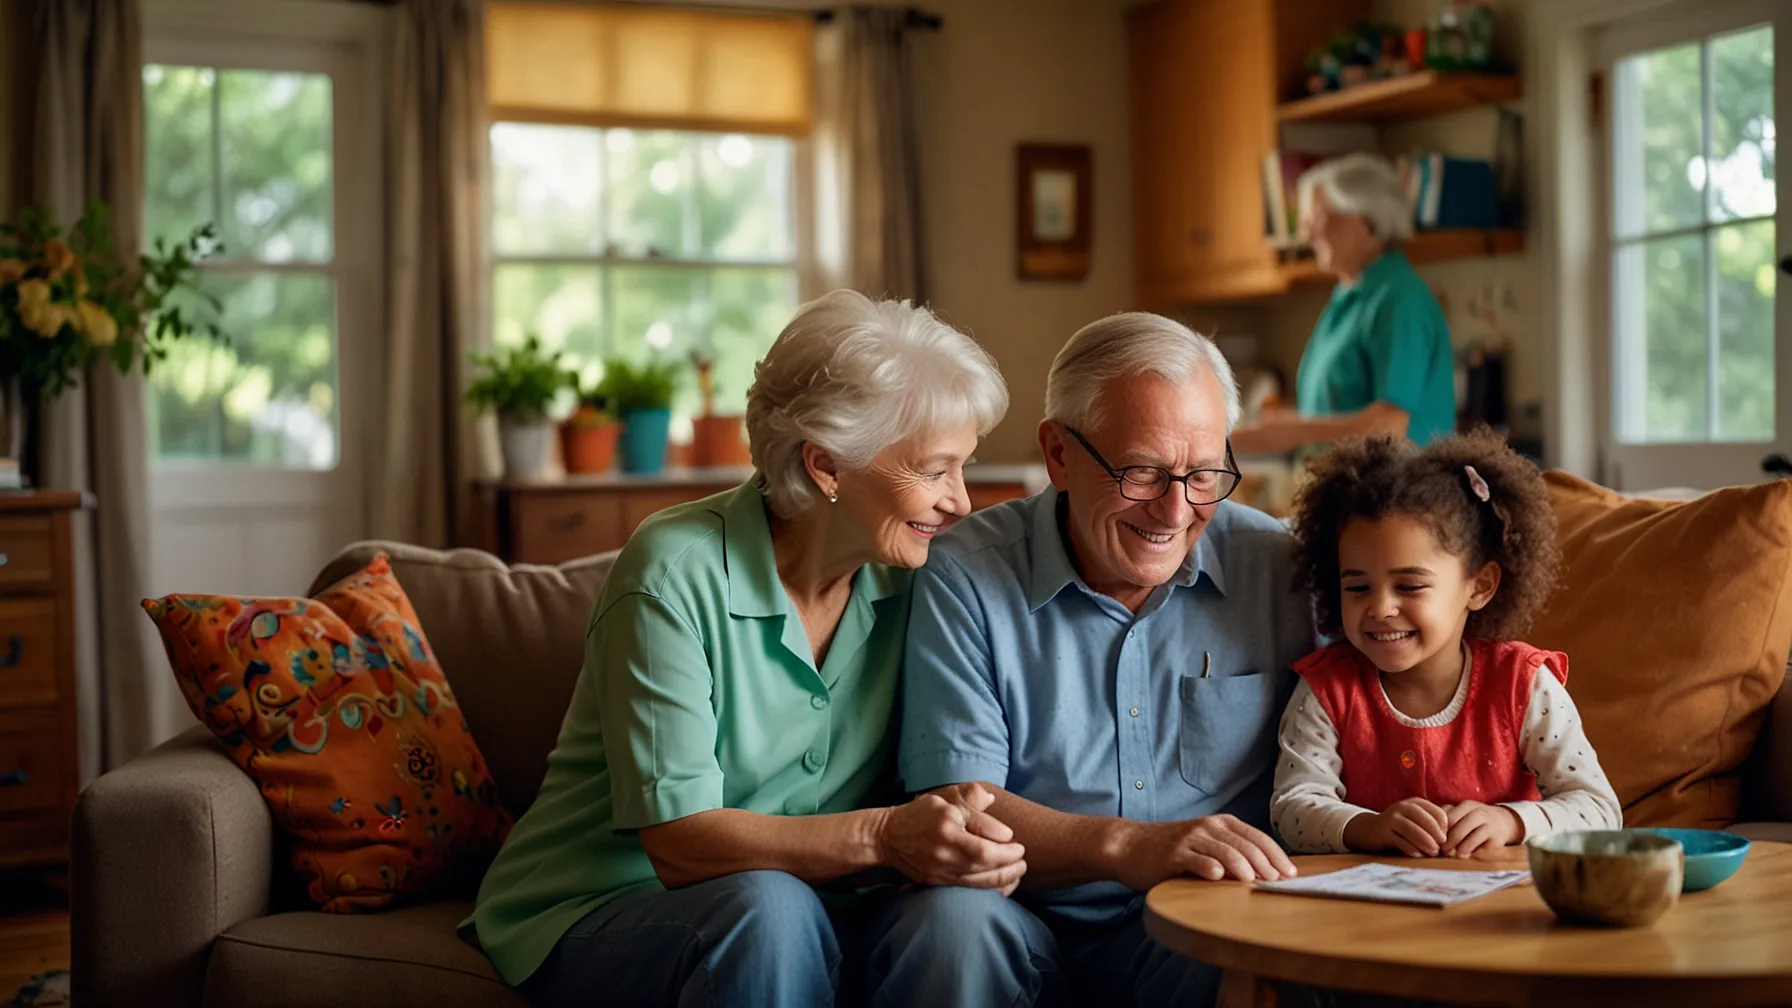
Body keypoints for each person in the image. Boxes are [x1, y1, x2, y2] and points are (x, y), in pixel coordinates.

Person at [465, 290, 1032, 1007]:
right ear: (826, 465)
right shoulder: (674, 571)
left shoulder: (918, 579)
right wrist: (888, 837)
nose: (961, 502)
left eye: (964, 467)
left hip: (813, 909)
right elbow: (680, 843)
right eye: (934, 470)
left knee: (941, 921)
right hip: (600, 903)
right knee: (770, 912)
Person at [898, 312, 1317, 1006]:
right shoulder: (966, 575)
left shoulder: (1280, 569)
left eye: (1205, 473)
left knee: (1266, 937)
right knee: (949, 927)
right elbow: (959, 806)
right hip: (1017, 919)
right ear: (1058, 454)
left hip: (1199, 924)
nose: (1176, 511)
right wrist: (1127, 846)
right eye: (1143, 472)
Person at [1271, 430, 1622, 858]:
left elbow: (1600, 808)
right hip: (1365, 918)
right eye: (1358, 587)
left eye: (1410, 586)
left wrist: (1511, 821)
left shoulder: (1523, 685)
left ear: (1479, 586)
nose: (1380, 607)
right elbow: (1292, 808)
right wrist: (1367, 827)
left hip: (1498, 913)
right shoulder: (1327, 690)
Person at [1231, 153, 1456, 456]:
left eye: (1319, 219)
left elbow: (1390, 426)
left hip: (1399, 495)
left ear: (1366, 222)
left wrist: (1295, 431)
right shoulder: (1348, 296)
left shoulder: (1400, 300)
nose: (1307, 235)